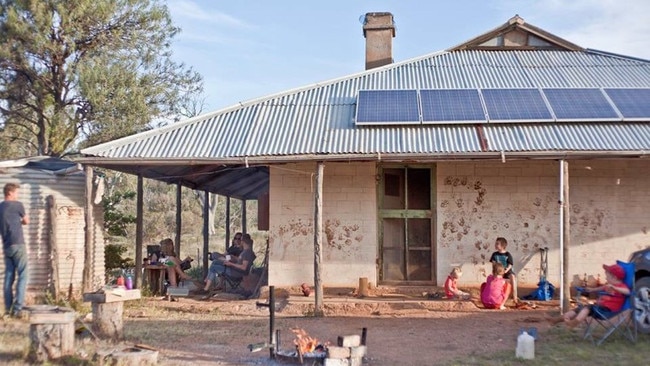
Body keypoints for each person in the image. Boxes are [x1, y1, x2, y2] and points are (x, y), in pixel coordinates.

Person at [547, 263, 630, 328]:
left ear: (614, 277)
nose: (605, 278)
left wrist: (615, 288)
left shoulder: (621, 287)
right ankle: (555, 320)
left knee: (588, 307)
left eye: (607, 276)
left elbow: (628, 292)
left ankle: (574, 323)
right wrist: (592, 289)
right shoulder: (608, 285)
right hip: (599, 308)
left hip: (607, 311)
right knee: (579, 309)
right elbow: (602, 288)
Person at [1, 183, 30, 317]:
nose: (17, 195)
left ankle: (8, 309)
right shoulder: (17, 205)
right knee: (23, 275)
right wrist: (21, 221)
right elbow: (26, 221)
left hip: (7, 246)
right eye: (16, 192)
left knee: (9, 277)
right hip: (18, 244)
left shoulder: (0, 207)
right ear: (10, 193)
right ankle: (18, 309)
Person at [490, 237, 518, 303]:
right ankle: (494, 297)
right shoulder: (494, 254)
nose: (495, 245)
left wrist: (505, 271)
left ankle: (515, 298)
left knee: (513, 278)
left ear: (502, 246)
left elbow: (510, 264)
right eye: (496, 244)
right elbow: (493, 265)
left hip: (507, 271)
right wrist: (496, 273)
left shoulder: (507, 254)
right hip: (498, 272)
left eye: (497, 244)